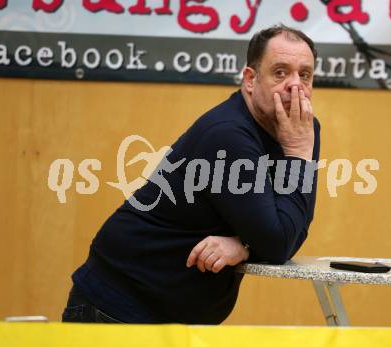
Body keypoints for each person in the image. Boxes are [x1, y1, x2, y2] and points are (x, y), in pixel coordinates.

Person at [62, 24, 321, 324]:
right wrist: (299, 153)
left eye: (305, 75)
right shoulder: (229, 135)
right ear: (250, 80)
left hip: (172, 315)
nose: (295, 85)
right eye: (280, 72)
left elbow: (293, 228)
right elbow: (278, 242)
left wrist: (245, 246)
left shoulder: (301, 129)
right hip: (120, 303)